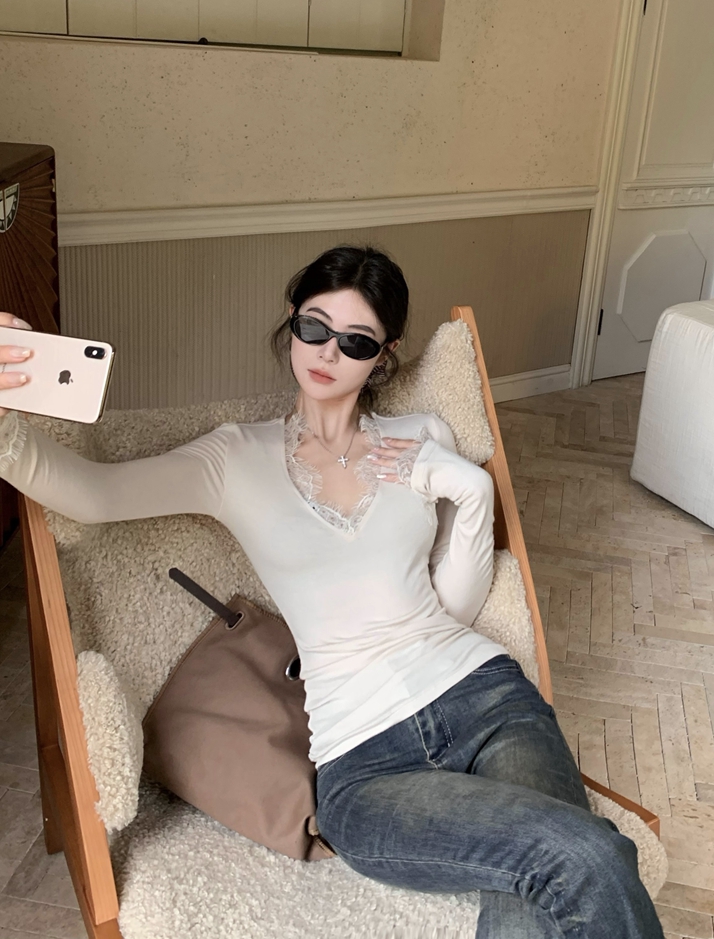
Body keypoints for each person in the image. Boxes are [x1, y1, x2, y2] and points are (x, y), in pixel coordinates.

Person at [0, 246, 664, 939]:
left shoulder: (420, 437)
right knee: (589, 850)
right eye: (315, 327)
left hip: (489, 701)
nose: (328, 352)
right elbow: (95, 495)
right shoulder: (233, 458)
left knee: (538, 900)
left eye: (356, 342)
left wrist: (469, 490)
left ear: (384, 356)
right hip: (365, 760)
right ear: (292, 321)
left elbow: (454, 608)